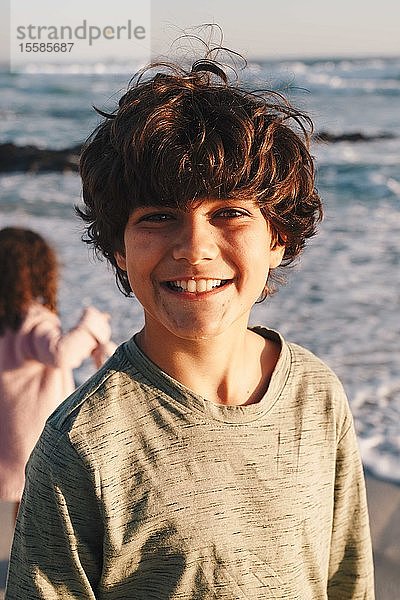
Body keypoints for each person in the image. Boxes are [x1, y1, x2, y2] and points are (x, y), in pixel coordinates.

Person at [5, 51, 374, 599]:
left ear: (279, 239)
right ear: (119, 251)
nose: (195, 247)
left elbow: (348, 581)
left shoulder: (316, 394)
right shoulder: (81, 444)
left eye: (229, 212)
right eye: (157, 216)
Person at [0, 227, 114, 520]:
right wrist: (91, 325)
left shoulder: (7, 321)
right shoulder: (33, 319)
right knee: (33, 514)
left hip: (8, 435)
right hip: (35, 437)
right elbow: (62, 354)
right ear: (40, 271)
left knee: (19, 505)